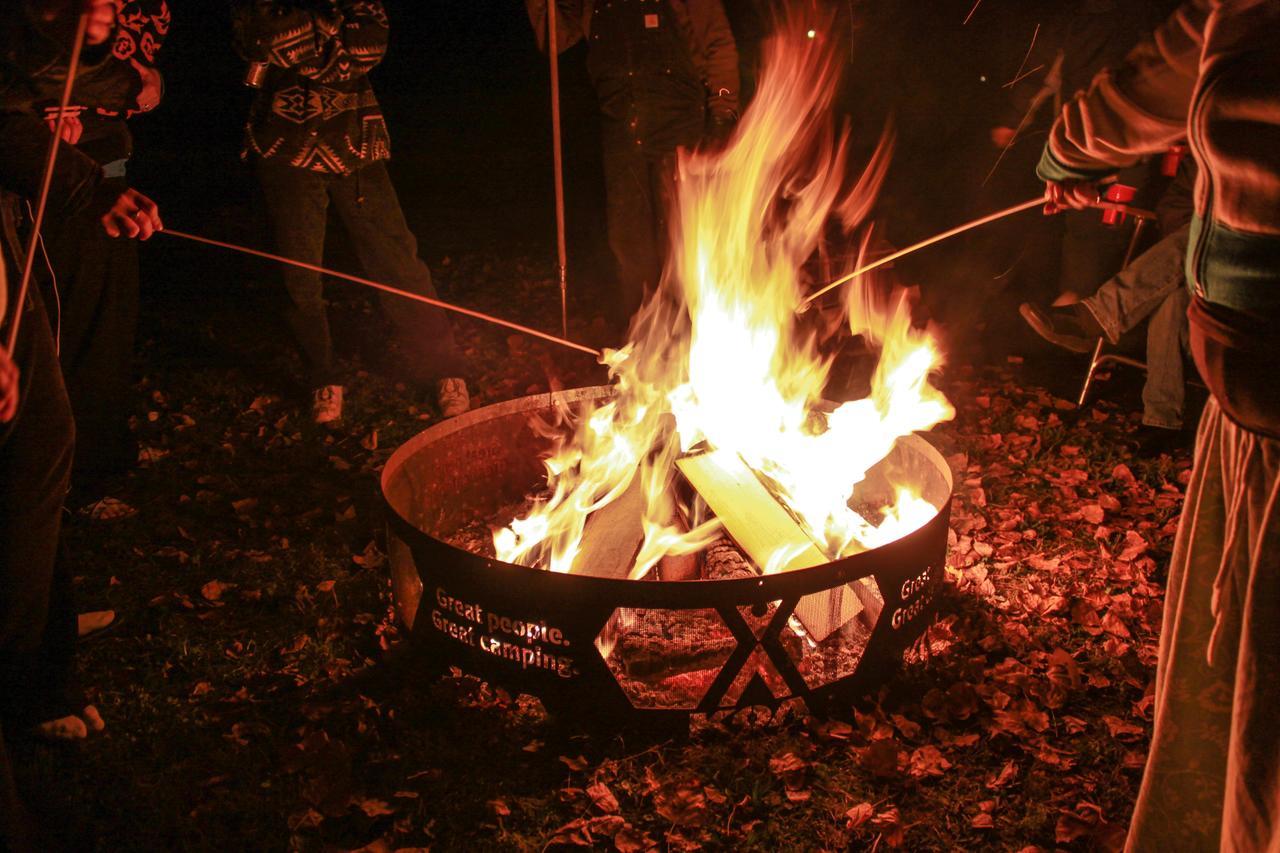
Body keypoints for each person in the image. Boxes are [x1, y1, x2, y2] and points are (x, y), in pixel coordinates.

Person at [1037, 1, 1279, 848]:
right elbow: (1141, 91)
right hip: (1249, 434)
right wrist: (1063, 153)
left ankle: (1099, 320)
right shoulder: (1243, 12)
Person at [1, 0, 162, 846]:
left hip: (11, 220)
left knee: (42, 437)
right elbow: (11, 98)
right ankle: (28, 679)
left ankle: (43, 640)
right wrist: (82, 183)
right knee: (30, 444)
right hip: (20, 208)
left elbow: (45, 74)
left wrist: (100, 50)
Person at [233, 0, 471, 426]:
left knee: (397, 260)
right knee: (298, 273)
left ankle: (445, 368)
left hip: (355, 141)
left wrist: (309, 32)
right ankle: (322, 375)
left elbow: (367, 49)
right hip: (284, 146)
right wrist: (331, 29)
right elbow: (262, 39)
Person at [525, 0, 740, 333]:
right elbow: (555, 38)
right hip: (620, 122)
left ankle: (696, 336)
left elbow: (717, 41)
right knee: (629, 241)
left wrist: (723, 107)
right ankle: (646, 343)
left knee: (683, 235)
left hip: (678, 117)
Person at [37, 0, 169, 494]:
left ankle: (94, 458)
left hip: (105, 169)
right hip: (39, 179)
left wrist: (143, 85)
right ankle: (51, 466)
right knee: (45, 327)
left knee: (104, 323)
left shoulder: (145, 6)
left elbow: (136, 78)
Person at [1021, 157, 1196, 442]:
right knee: (1174, 295)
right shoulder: (1209, 150)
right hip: (1196, 256)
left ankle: (1098, 316)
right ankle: (1162, 422)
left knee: (1203, 234)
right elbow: (1174, 203)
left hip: (1252, 256)